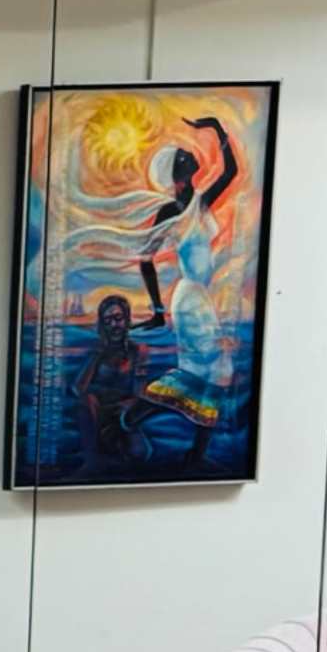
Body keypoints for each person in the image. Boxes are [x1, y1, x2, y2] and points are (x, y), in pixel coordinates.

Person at [135, 114, 237, 330]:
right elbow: (145, 259)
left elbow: (230, 172)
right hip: (190, 300)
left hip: (199, 298)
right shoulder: (170, 212)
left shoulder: (199, 202)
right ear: (177, 178)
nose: (189, 153)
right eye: (182, 157)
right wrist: (158, 311)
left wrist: (217, 128)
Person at [74, 291, 148, 472]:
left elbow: (140, 391)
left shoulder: (138, 351)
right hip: (99, 414)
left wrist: (128, 406)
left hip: (124, 413)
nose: (114, 325)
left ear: (127, 320)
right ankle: (92, 459)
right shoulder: (97, 352)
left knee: (140, 453)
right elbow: (78, 388)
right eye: (107, 321)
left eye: (118, 318)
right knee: (86, 400)